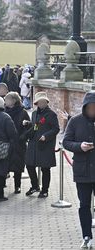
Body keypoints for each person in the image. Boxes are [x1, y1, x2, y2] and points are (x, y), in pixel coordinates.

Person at [63, 91, 95, 249]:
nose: (92, 110)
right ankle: (87, 236)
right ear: (85, 107)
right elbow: (66, 142)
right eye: (90, 107)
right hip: (82, 170)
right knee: (84, 205)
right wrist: (80, 146)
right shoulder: (75, 121)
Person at [24, 92, 59, 198]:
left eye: (44, 101)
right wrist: (29, 125)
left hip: (45, 145)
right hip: (34, 143)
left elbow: (56, 129)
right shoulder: (34, 114)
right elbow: (36, 127)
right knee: (29, 165)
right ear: (36, 103)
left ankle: (45, 190)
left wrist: (46, 136)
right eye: (40, 102)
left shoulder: (51, 114)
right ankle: (35, 185)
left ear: (47, 102)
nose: (42, 103)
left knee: (45, 168)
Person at [4, 92, 30, 194]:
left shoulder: (22, 112)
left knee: (18, 165)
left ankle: (17, 186)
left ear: (14, 101)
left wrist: (23, 136)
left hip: (19, 142)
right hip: (6, 141)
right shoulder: (5, 111)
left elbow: (29, 126)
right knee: (4, 163)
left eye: (7, 99)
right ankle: (2, 183)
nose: (5, 101)